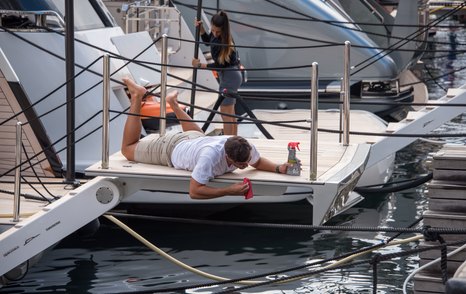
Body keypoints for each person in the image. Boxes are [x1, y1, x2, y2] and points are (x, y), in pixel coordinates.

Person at [121, 78, 291, 200]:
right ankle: (137, 96)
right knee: (128, 149)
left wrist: (278, 168)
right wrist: (228, 191)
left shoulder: (245, 146)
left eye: (245, 162)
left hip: (195, 140)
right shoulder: (209, 158)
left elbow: (257, 161)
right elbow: (194, 191)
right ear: (227, 156)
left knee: (199, 138)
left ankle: (172, 104)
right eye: (240, 165)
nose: (246, 166)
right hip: (170, 149)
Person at [192, 10, 242, 136]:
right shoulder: (219, 35)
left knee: (225, 114)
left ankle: (229, 142)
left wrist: (201, 65)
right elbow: (208, 41)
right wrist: (202, 29)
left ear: (223, 30)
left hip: (229, 77)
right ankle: (233, 140)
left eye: (217, 31)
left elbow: (221, 65)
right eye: (213, 30)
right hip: (232, 75)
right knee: (230, 114)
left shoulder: (224, 42)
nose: (215, 33)